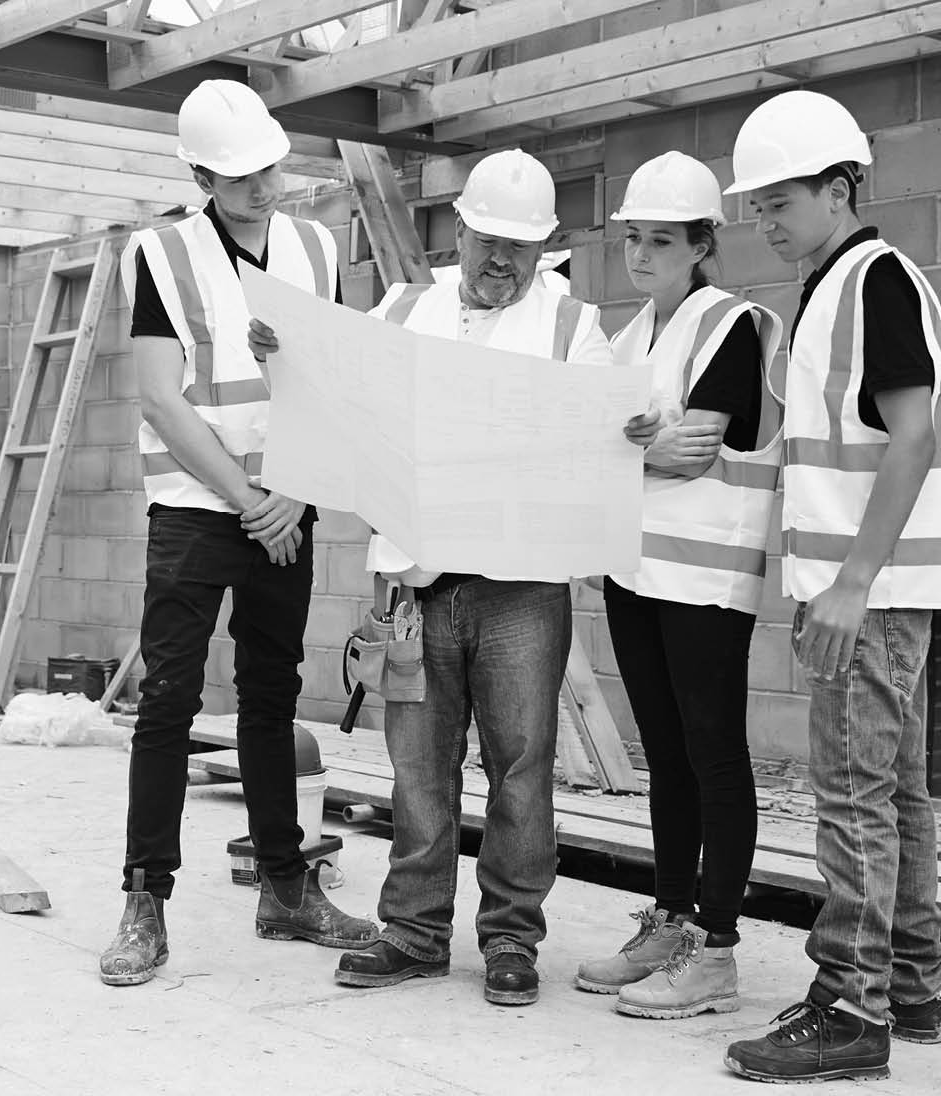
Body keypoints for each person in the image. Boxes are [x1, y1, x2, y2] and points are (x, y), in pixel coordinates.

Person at [717, 91, 941, 1081]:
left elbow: (911, 435)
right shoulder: (836, 286)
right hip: (870, 590)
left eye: (778, 200)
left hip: (865, 596)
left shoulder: (872, 281)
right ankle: (909, 988)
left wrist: (850, 582)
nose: (763, 220)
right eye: (754, 205)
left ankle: (848, 1007)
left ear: (838, 189)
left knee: (850, 800)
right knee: (894, 796)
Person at [300, 150, 613, 1006]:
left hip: (521, 586)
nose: (501, 261)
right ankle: (413, 931)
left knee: (522, 768)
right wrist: (284, 357)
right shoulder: (402, 308)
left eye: (519, 245)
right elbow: (343, 412)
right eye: (487, 242)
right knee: (417, 770)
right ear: (461, 232)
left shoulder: (570, 327)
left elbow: (591, 436)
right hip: (413, 582)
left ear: (544, 243)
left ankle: (512, 940)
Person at [99, 79, 376, 988]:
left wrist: (289, 495)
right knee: (171, 700)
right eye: (240, 176)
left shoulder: (314, 244)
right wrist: (248, 496)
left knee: (271, 695)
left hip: (285, 504)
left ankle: (285, 888)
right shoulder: (161, 253)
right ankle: (146, 899)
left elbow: (332, 378)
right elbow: (158, 396)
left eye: (269, 167)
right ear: (200, 175)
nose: (263, 186)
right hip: (195, 504)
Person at [572, 151, 784, 1020]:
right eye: (634, 239)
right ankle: (670, 918)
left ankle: (718, 951)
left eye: (663, 239)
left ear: (703, 244)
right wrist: (628, 448)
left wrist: (619, 447)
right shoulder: (629, 340)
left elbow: (696, 449)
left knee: (714, 755)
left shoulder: (732, 324)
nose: (643, 254)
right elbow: (604, 452)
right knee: (664, 755)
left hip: (703, 579)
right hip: (636, 571)